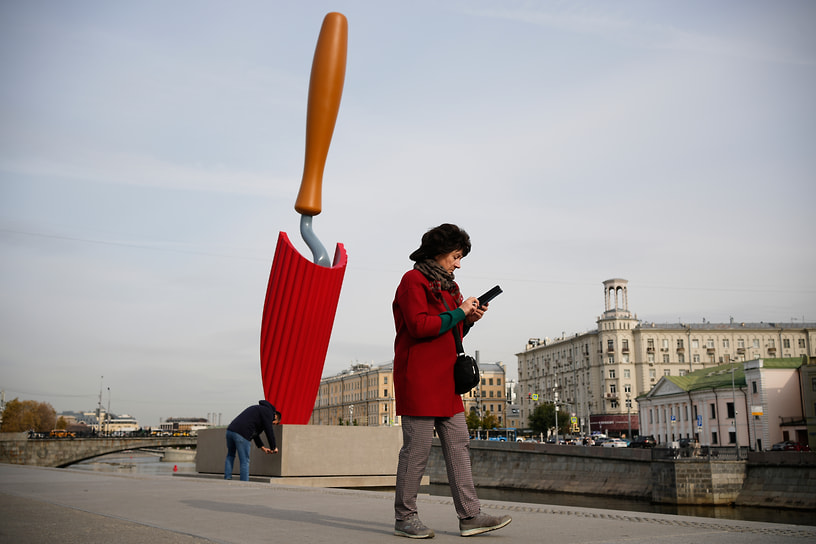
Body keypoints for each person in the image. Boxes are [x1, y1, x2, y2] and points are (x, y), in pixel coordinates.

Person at [392, 223, 512, 539]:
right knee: (415, 452)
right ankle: (405, 518)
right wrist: (459, 312)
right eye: (456, 256)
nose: (458, 264)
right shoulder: (412, 281)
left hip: (446, 382)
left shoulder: (449, 287)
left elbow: (451, 331)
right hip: (418, 379)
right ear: (440, 252)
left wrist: (468, 319)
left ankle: (470, 516)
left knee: (459, 445)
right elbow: (419, 326)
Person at [224, 400, 281, 481]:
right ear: (275, 416)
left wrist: (263, 448)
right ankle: (244, 483)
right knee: (244, 461)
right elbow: (269, 431)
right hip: (242, 434)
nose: (273, 424)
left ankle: (227, 478)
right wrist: (274, 447)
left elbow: (255, 433)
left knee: (230, 455)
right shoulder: (268, 413)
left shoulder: (259, 409)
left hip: (230, 431)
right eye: (275, 423)